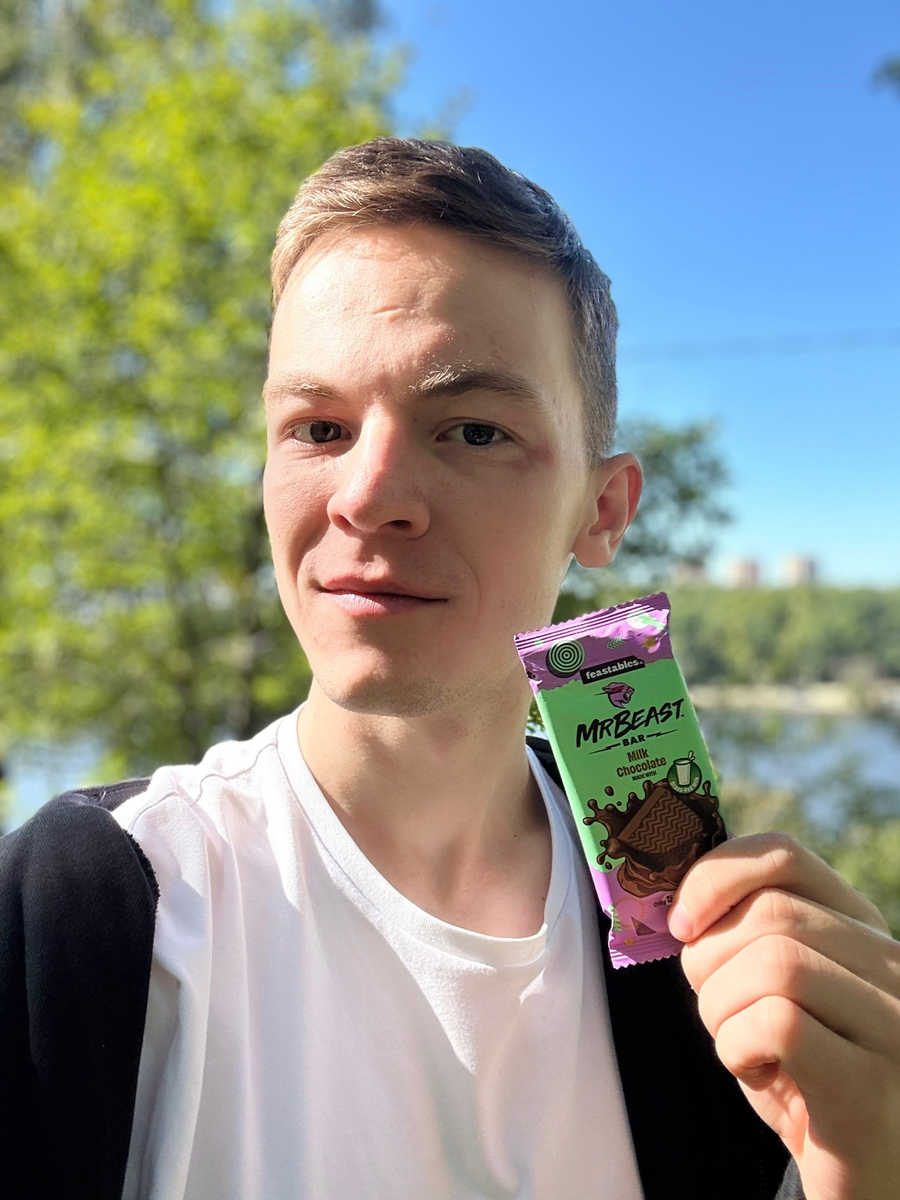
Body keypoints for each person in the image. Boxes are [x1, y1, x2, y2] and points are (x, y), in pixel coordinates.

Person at [1, 138, 898, 1200]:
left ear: (603, 511)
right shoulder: (86, 911)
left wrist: (863, 1171)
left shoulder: (689, 933)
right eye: (318, 427)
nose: (369, 497)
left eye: (473, 431)